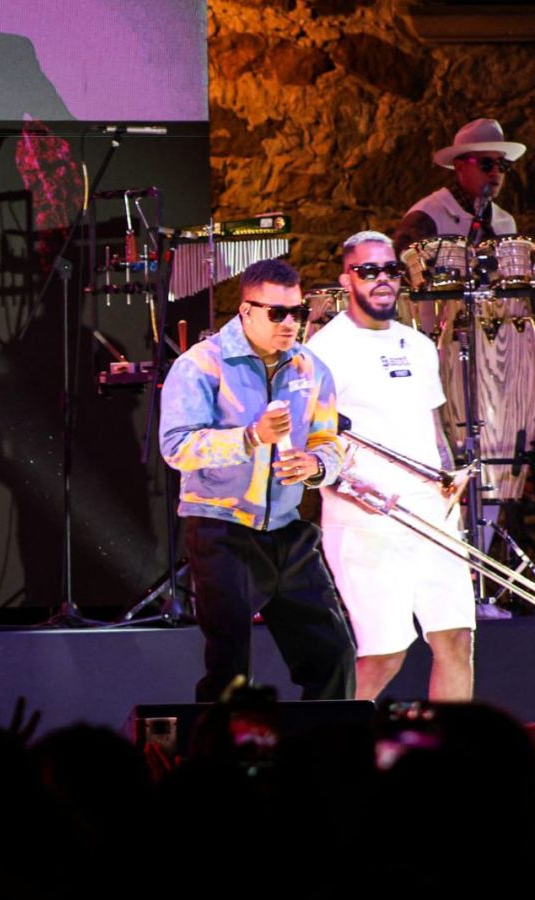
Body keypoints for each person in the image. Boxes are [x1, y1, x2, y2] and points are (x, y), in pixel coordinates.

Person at [160, 259, 355, 703]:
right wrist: (250, 438)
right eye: (277, 313)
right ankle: (220, 746)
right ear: (246, 311)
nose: (290, 323)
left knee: (334, 657)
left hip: (287, 530)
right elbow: (176, 446)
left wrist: (315, 465)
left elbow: (328, 439)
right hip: (223, 527)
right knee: (230, 670)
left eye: (298, 312)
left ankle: (327, 746)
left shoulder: (310, 367)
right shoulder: (201, 365)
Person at [306, 231, 475, 701]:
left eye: (391, 270)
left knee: (456, 640)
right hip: (367, 521)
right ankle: (328, 739)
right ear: (347, 279)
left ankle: (451, 744)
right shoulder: (324, 351)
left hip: (433, 515)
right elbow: (312, 441)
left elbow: (432, 428)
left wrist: (449, 480)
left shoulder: (418, 345)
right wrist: (345, 488)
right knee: (385, 654)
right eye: (368, 271)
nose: (382, 279)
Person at [394, 118, 526, 254]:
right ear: (460, 166)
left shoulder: (506, 222)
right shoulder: (427, 215)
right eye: (486, 163)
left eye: (502, 164)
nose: (495, 172)